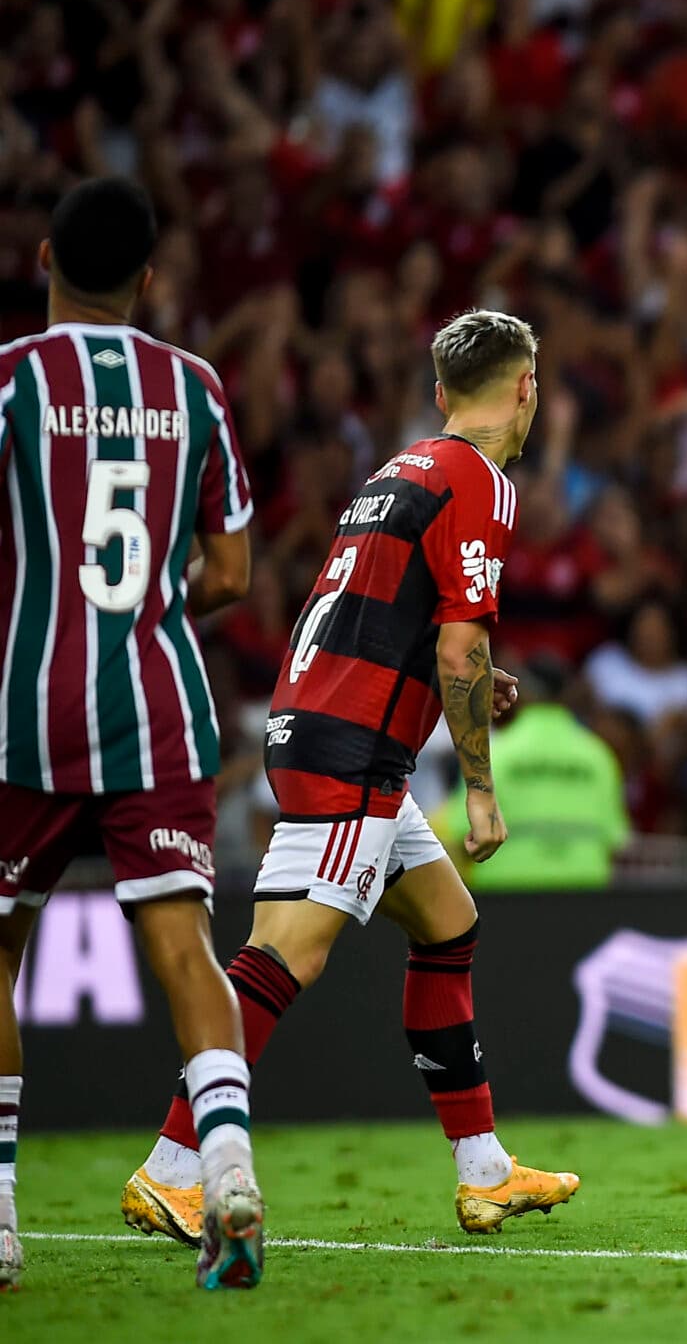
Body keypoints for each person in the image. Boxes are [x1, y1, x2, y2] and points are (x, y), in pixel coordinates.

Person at [122, 311, 579, 1247]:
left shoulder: (398, 471)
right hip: (353, 749)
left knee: (449, 927)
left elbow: (387, 618)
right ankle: (173, 1167)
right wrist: (482, 792)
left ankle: (485, 1172)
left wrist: (466, 677)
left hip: (328, 720)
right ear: (527, 389)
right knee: (288, 954)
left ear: (444, 391)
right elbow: (459, 643)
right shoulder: (481, 482)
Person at [0, 178, 267, 1291]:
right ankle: (229, 1169)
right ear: (148, 279)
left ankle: (0, 1216)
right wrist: (154, 600)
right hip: (161, 702)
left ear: (46, 255)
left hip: (26, 708)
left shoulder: (12, 380)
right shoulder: (195, 386)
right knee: (183, 945)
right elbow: (237, 573)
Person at [433, 661, 629, 889]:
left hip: (506, 890)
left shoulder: (495, 751)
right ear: (567, 694)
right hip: (584, 888)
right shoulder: (598, 757)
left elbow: (459, 828)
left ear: (522, 693)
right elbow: (615, 837)